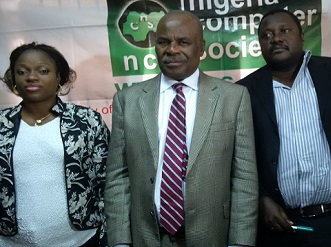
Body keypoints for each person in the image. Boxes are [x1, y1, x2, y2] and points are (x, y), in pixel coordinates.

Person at [104, 10, 258, 247]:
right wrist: (120, 241)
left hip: (213, 235)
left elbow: (244, 177)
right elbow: (118, 176)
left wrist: (241, 241)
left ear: (201, 47)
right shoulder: (128, 100)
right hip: (147, 236)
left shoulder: (233, 97)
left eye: (183, 42)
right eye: (163, 42)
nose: (172, 50)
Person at [236, 9, 331, 247]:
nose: (275, 38)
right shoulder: (243, 91)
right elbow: (236, 156)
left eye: (284, 31)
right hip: (276, 225)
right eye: (266, 35)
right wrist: (259, 198)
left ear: (301, 36)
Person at [0, 42, 110, 246]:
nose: (31, 77)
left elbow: (107, 181)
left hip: (82, 240)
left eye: (43, 71)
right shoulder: (2, 124)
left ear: (59, 77)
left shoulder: (86, 121)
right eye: (22, 71)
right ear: (14, 79)